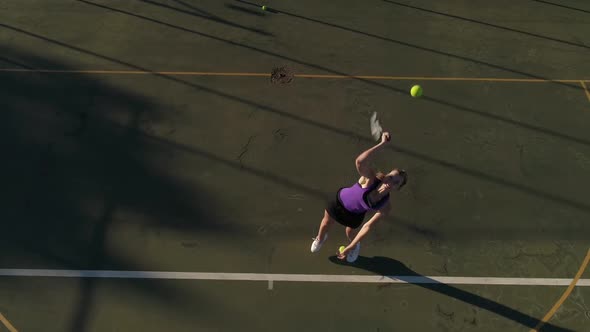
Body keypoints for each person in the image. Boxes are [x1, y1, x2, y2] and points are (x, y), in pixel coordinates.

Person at [310, 131, 408, 262]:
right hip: (338, 201)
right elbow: (359, 161)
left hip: (354, 216)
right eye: (390, 177)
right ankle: (320, 238)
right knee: (326, 223)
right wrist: (382, 144)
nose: (390, 183)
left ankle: (355, 245)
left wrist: (350, 247)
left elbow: (367, 226)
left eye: (396, 182)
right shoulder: (370, 179)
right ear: (385, 176)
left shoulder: (385, 206)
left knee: (350, 232)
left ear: (398, 188)